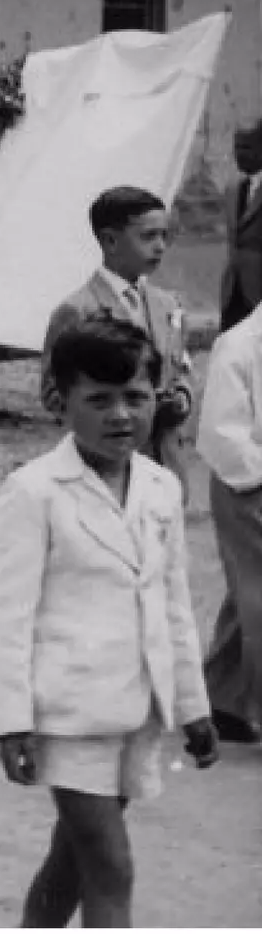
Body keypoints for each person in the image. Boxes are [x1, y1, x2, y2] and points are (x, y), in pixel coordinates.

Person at [0, 318, 218, 928]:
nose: (121, 415)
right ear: (61, 404)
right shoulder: (33, 492)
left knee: (73, 862)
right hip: (67, 714)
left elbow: (172, 604)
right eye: (100, 400)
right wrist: (12, 723)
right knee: (110, 864)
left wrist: (193, 706)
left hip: (137, 707)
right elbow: (9, 619)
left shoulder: (162, 488)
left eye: (137, 398)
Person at [41, 187, 194, 479]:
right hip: (104, 461)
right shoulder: (78, 310)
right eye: (148, 237)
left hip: (166, 459)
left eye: (164, 236)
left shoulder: (168, 305)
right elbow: (52, 392)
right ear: (110, 240)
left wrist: (181, 398)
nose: (160, 246)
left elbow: (182, 367)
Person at [198, 301, 262, 743]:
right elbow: (222, 434)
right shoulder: (238, 346)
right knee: (258, 598)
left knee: (247, 593)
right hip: (246, 483)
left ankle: (223, 697)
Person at [218, 118, 262, 334]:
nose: (238, 154)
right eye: (236, 147)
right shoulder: (233, 189)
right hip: (233, 293)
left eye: (246, 147)